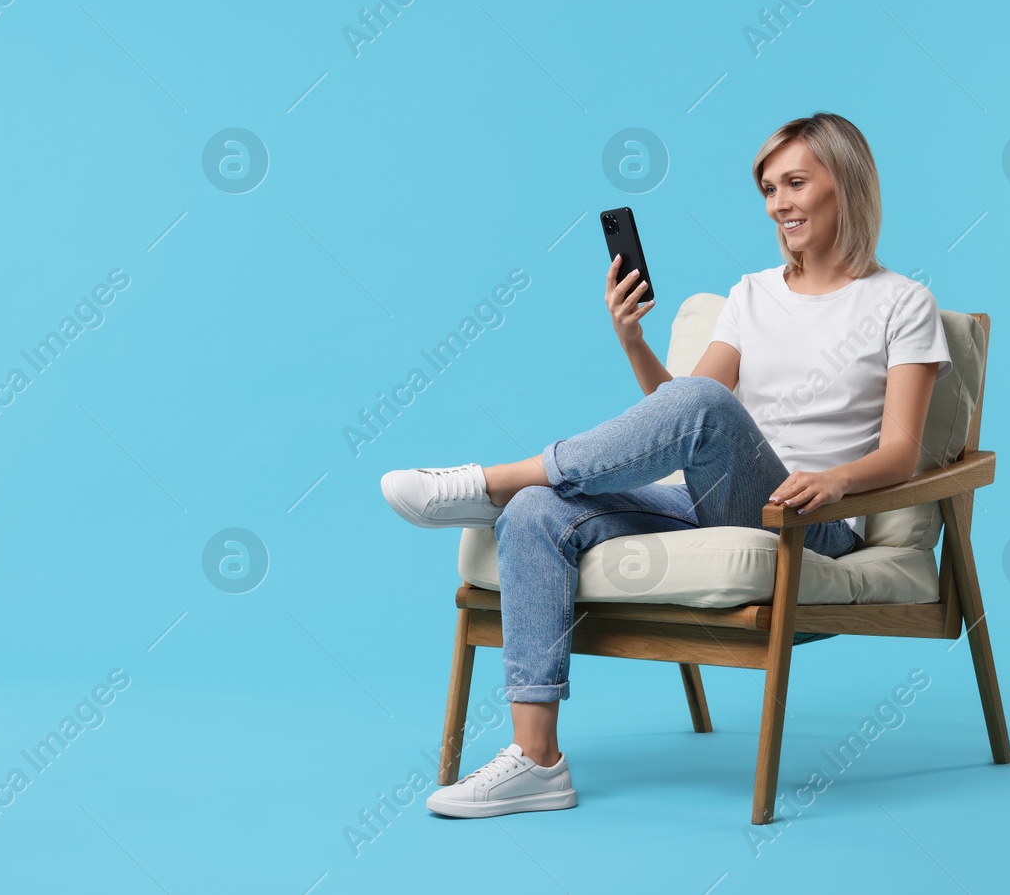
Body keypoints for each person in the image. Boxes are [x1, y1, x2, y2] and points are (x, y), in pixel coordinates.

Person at [380, 112, 954, 819]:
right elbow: (678, 409)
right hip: (711, 494)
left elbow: (900, 448)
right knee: (537, 512)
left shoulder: (902, 302)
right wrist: (632, 341)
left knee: (695, 409)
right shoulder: (752, 293)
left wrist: (835, 479)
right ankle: (536, 761)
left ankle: (486, 481)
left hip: (813, 518)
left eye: (795, 182)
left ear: (848, 182)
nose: (778, 203)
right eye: (769, 188)